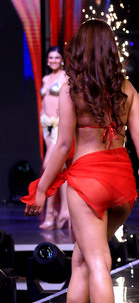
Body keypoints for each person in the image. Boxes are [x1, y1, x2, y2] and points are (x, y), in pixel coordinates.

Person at [22, 20, 139, 303]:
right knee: (83, 259)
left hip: (87, 180)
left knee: (97, 261)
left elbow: (63, 146)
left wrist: (40, 189)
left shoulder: (72, 89)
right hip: (122, 183)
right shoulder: (126, 89)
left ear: (79, 50)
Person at [39, 46, 70, 229]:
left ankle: (51, 213)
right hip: (47, 126)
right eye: (50, 57)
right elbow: (44, 102)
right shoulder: (45, 78)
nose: (53, 61)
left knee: (48, 167)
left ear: (62, 60)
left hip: (60, 124)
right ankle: (63, 211)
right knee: (60, 168)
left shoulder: (66, 77)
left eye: (56, 58)